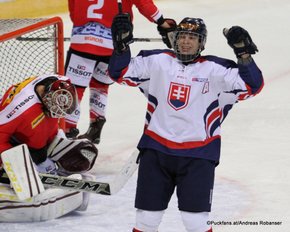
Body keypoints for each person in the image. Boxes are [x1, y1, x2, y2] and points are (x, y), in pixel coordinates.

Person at [108, 15, 264, 232]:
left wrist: (243, 54)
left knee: (195, 222)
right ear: (175, 39)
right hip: (156, 150)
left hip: (198, 155)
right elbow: (119, 72)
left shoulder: (216, 69)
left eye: (193, 37)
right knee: (146, 220)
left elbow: (252, 86)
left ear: (202, 43)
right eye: (182, 36)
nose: (186, 42)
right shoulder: (157, 61)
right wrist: (121, 46)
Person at [64, 0, 176, 144]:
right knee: (100, 85)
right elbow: (144, 4)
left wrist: (83, 24)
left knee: (74, 89)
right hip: (112, 42)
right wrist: (161, 21)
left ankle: (68, 131)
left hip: (82, 41)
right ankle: (96, 124)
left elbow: (73, 9)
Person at [0, 74, 98, 221]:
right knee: (28, 184)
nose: (57, 115)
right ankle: (24, 174)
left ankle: (48, 165)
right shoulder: (19, 108)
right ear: (46, 97)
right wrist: (7, 164)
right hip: (16, 145)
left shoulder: (57, 82)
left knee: (81, 153)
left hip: (36, 141)